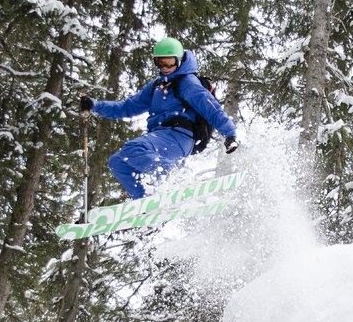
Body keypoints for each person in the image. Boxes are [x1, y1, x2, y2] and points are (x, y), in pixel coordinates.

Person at [79, 38, 238, 200]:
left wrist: (230, 133)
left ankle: (173, 178)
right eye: (160, 62)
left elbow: (211, 108)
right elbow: (126, 107)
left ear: (180, 60)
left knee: (133, 148)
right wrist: (95, 105)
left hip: (179, 135)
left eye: (169, 62)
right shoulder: (157, 86)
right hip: (161, 137)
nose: (165, 68)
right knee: (117, 162)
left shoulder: (187, 82)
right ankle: (146, 200)